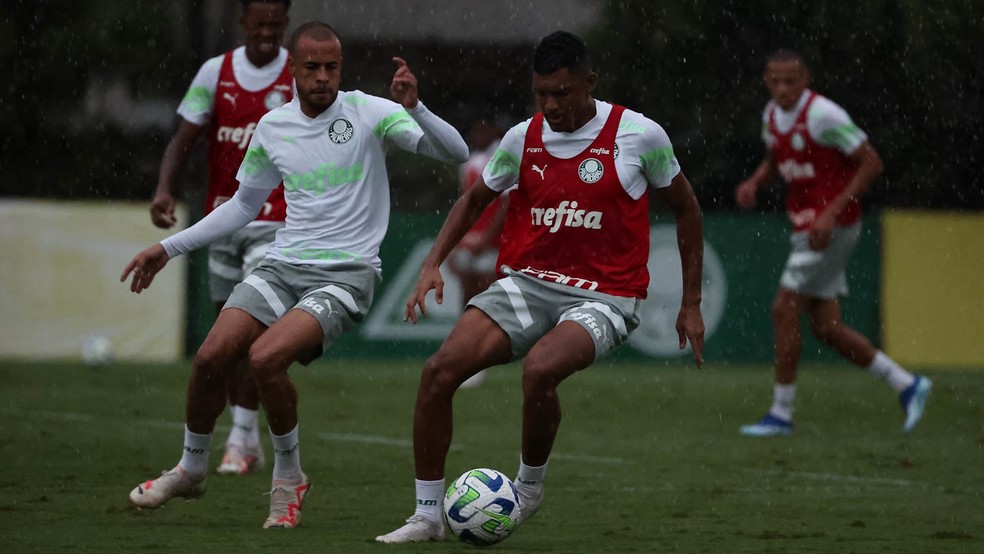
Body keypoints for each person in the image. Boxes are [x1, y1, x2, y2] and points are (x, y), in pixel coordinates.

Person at [122, 21, 468, 529]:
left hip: (346, 276)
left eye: (332, 67)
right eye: (313, 68)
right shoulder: (274, 127)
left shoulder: (370, 112)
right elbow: (242, 206)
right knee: (211, 356)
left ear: (341, 70)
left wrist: (415, 107)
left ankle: (288, 477)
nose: (323, 77)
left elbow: (455, 152)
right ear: (293, 70)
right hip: (283, 265)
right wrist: (168, 248)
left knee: (264, 359)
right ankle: (192, 468)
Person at [376, 31, 705, 544]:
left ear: (589, 82)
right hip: (527, 285)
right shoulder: (522, 138)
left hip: (606, 296)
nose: (550, 105)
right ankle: (425, 516)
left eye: (562, 93)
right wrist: (432, 263)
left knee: (541, 369)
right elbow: (474, 200)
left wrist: (691, 302)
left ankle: (527, 491)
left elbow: (686, 207)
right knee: (438, 372)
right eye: (541, 94)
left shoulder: (639, 135)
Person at [734, 50, 932, 437]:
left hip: (832, 227)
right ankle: (906, 384)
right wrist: (755, 182)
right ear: (766, 81)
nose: (783, 88)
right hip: (806, 225)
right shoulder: (771, 115)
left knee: (783, 309)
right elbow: (776, 161)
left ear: (806, 79)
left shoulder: (824, 115)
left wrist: (830, 211)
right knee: (826, 327)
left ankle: (781, 413)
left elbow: (871, 161)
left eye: (791, 80)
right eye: (775, 81)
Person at [149, 0, 293, 476]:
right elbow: (183, 138)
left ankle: (240, 438)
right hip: (224, 216)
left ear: (286, 22)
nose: (268, 31)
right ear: (243, 23)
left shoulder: (298, 73)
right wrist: (166, 187)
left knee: (251, 329)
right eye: (260, 23)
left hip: (276, 219)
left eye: (276, 23)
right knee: (225, 337)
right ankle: (246, 438)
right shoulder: (216, 72)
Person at [448, 118, 508, 389]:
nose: (477, 133)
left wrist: (486, 239)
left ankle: (480, 360)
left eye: (483, 127)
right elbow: (465, 204)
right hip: (473, 242)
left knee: (486, 302)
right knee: (469, 299)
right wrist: (455, 243)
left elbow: (505, 203)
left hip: (495, 244)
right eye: (474, 128)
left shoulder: (503, 156)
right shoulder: (468, 162)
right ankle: (467, 358)